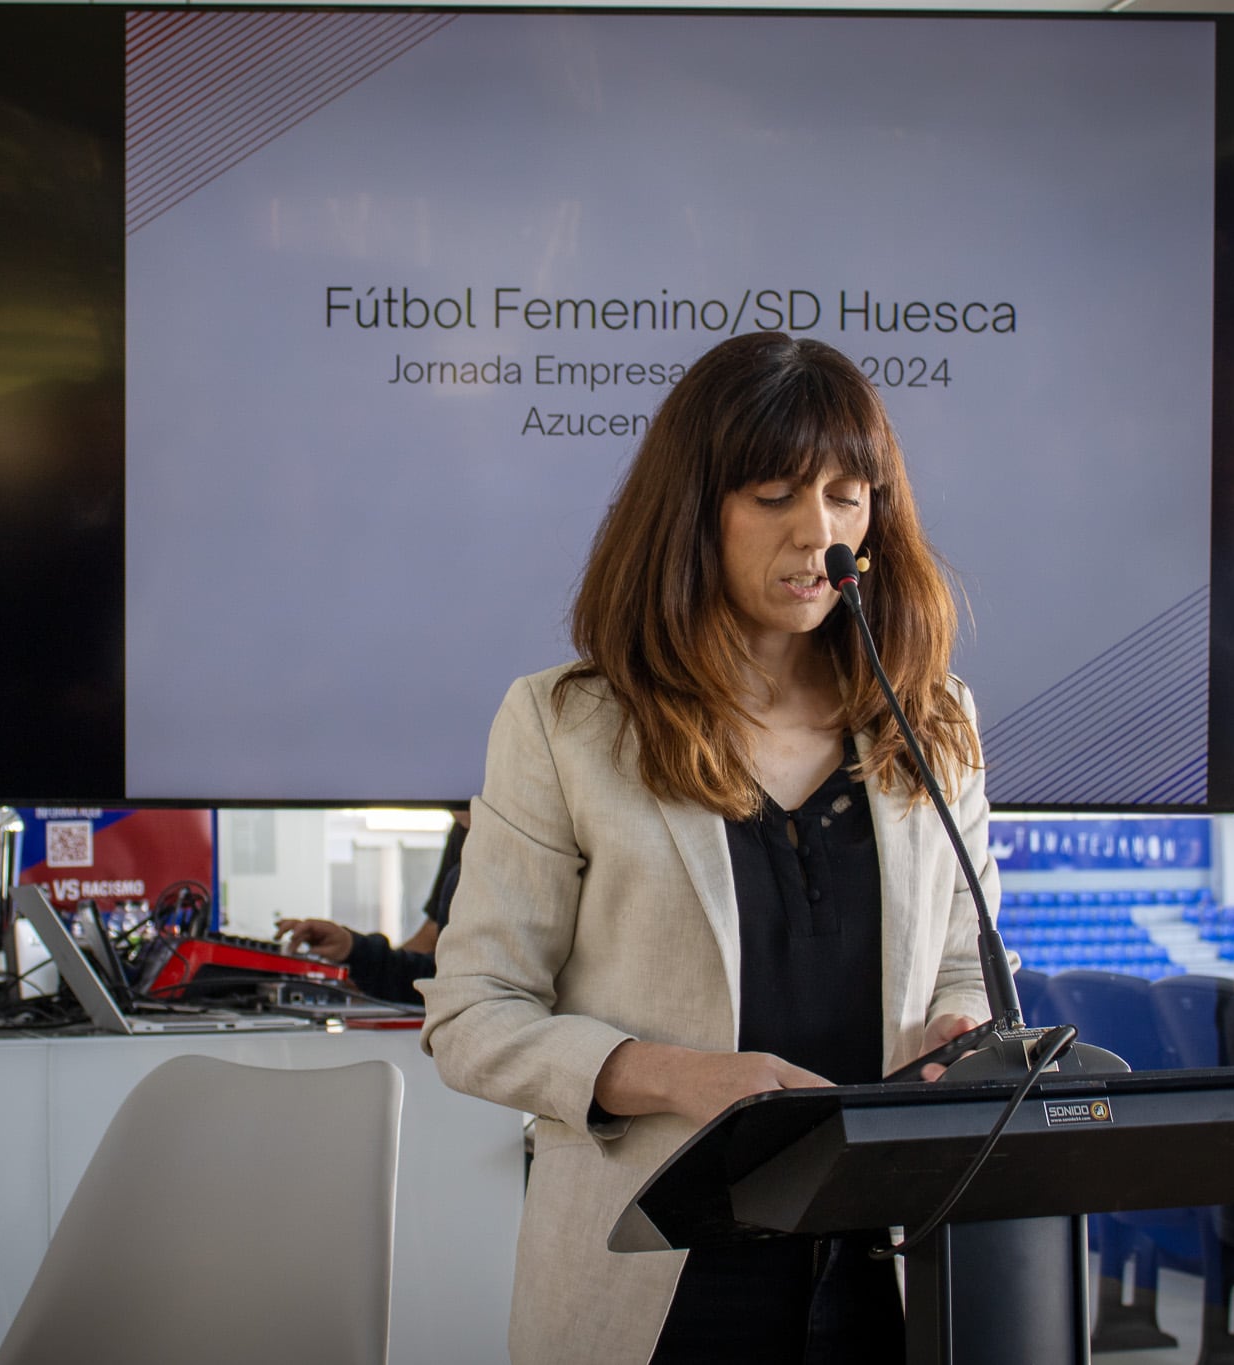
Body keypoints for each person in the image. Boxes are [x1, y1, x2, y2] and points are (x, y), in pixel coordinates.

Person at [418, 331, 998, 1364]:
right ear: (694, 510)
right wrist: (667, 1075)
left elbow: (964, 958)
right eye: (774, 494)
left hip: (883, 1272)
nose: (818, 533)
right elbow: (472, 1014)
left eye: (845, 494)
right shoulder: (565, 726)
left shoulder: (932, 717)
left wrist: (953, 1028)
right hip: (652, 1281)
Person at [278, 814, 467, 1005]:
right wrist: (353, 950)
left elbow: (455, 987)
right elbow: (439, 977)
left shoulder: (478, 860)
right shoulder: (465, 836)